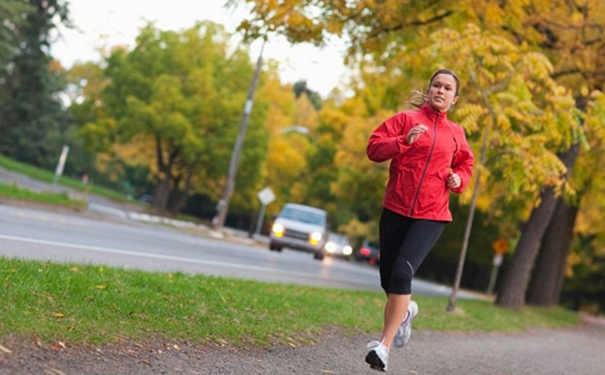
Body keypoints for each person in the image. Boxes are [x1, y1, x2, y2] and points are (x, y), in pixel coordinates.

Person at [364, 69, 475, 371]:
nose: (440, 90)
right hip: (396, 209)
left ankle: (383, 348)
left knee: (402, 274)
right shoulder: (405, 120)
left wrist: (458, 179)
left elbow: (466, 163)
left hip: (432, 214)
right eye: (436, 85)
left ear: (454, 98)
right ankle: (406, 311)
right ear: (428, 91)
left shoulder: (456, 133)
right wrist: (402, 141)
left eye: (447, 88)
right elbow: (374, 148)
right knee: (389, 281)